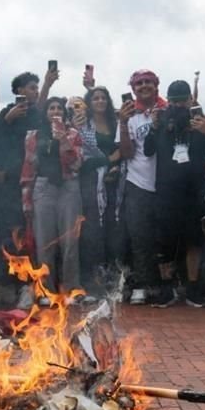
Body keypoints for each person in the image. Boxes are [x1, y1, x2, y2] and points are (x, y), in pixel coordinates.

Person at [144, 80, 205, 307]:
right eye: (174, 101)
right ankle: (167, 289)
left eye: (182, 100)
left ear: (190, 100)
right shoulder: (161, 121)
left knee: (194, 241)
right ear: (168, 101)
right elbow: (148, 150)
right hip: (166, 190)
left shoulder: (200, 123)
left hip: (194, 190)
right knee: (164, 241)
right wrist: (153, 126)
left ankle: (193, 288)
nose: (178, 105)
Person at [20, 97, 84, 303]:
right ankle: (46, 291)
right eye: (51, 108)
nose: (55, 111)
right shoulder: (33, 136)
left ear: (64, 114)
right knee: (44, 241)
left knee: (70, 240)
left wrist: (63, 140)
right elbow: (28, 167)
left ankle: (71, 290)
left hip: (68, 186)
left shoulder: (73, 134)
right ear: (45, 113)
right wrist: (26, 200)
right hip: (43, 186)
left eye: (59, 108)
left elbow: (77, 164)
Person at [117, 70, 167, 305]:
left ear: (157, 86)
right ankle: (140, 284)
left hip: (166, 183)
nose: (144, 86)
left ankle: (163, 284)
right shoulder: (129, 115)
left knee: (162, 236)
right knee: (138, 237)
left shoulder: (167, 110)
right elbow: (126, 153)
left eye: (148, 82)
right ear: (133, 88)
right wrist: (123, 122)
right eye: (139, 83)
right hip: (137, 182)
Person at [76, 86, 123, 296]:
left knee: (114, 231)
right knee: (92, 231)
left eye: (104, 97)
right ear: (89, 102)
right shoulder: (83, 125)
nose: (100, 101)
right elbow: (81, 160)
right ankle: (92, 283)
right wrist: (107, 160)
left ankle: (113, 282)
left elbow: (123, 150)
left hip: (116, 181)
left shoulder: (116, 122)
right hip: (91, 184)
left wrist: (114, 164)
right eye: (95, 98)